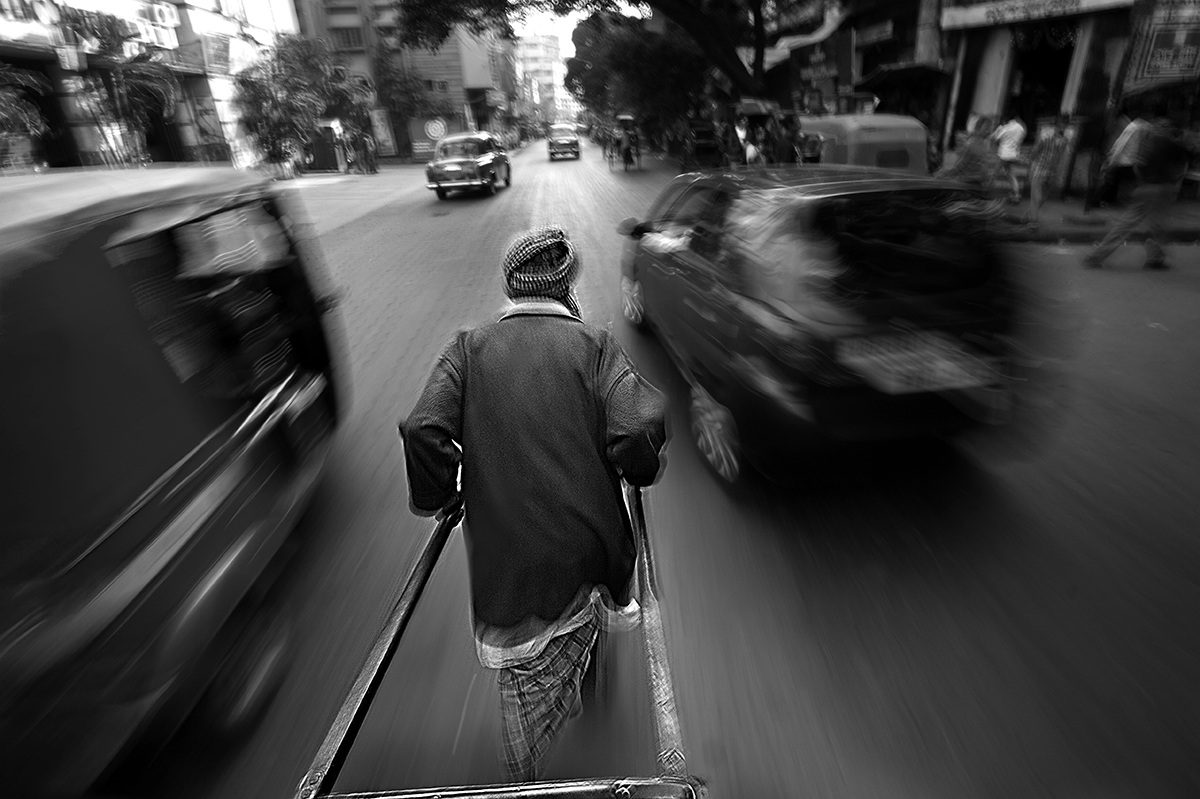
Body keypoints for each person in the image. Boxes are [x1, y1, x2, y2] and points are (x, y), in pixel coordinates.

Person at [399, 226, 668, 782]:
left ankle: (526, 770)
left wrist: (443, 496)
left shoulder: (468, 348)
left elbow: (424, 428)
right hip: (581, 558)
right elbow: (638, 426)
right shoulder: (594, 346)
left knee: (529, 688)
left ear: (512, 287)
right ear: (566, 285)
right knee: (583, 611)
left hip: (506, 573)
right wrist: (637, 468)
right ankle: (525, 778)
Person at [1084, 115, 1194, 270]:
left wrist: (1143, 182)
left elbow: (1138, 165)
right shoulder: (1172, 145)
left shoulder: (1150, 142)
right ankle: (1099, 256)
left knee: (1146, 225)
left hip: (1146, 187)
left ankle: (1154, 257)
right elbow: (1185, 163)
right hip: (1161, 189)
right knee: (1153, 225)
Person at [1024, 115, 1071, 229]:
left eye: (1065, 124)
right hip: (1038, 169)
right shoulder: (1045, 137)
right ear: (1056, 124)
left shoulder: (1065, 140)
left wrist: (1058, 172)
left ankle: (1029, 216)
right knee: (1037, 196)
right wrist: (1029, 165)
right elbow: (1035, 152)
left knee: (1043, 198)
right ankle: (1033, 221)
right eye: (1061, 124)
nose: (1063, 127)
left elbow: (1060, 157)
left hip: (1051, 172)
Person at [936, 117, 999, 189]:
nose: (989, 131)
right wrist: (943, 174)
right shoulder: (971, 145)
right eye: (986, 128)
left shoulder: (982, 145)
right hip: (969, 183)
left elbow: (981, 165)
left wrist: (988, 178)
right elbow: (960, 165)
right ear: (977, 128)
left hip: (976, 183)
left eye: (990, 128)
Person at [991, 114, 1027, 203]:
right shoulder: (1020, 127)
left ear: (1004, 121)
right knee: (1010, 174)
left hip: (1004, 155)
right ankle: (1016, 195)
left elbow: (995, 139)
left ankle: (984, 191)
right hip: (1014, 155)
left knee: (994, 174)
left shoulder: (1005, 128)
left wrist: (999, 129)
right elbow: (1023, 135)